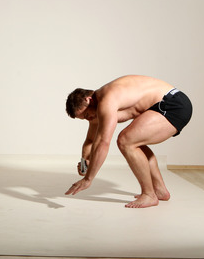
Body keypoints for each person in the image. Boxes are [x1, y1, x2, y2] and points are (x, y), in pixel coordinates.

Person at [64, 75, 192, 208]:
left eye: (86, 115)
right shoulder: (97, 107)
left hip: (173, 104)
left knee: (125, 140)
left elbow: (103, 142)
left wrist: (88, 179)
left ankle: (149, 195)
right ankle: (160, 190)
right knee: (134, 141)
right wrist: (85, 163)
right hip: (165, 105)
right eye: (84, 119)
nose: (89, 119)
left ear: (88, 99)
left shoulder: (106, 100)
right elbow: (91, 140)